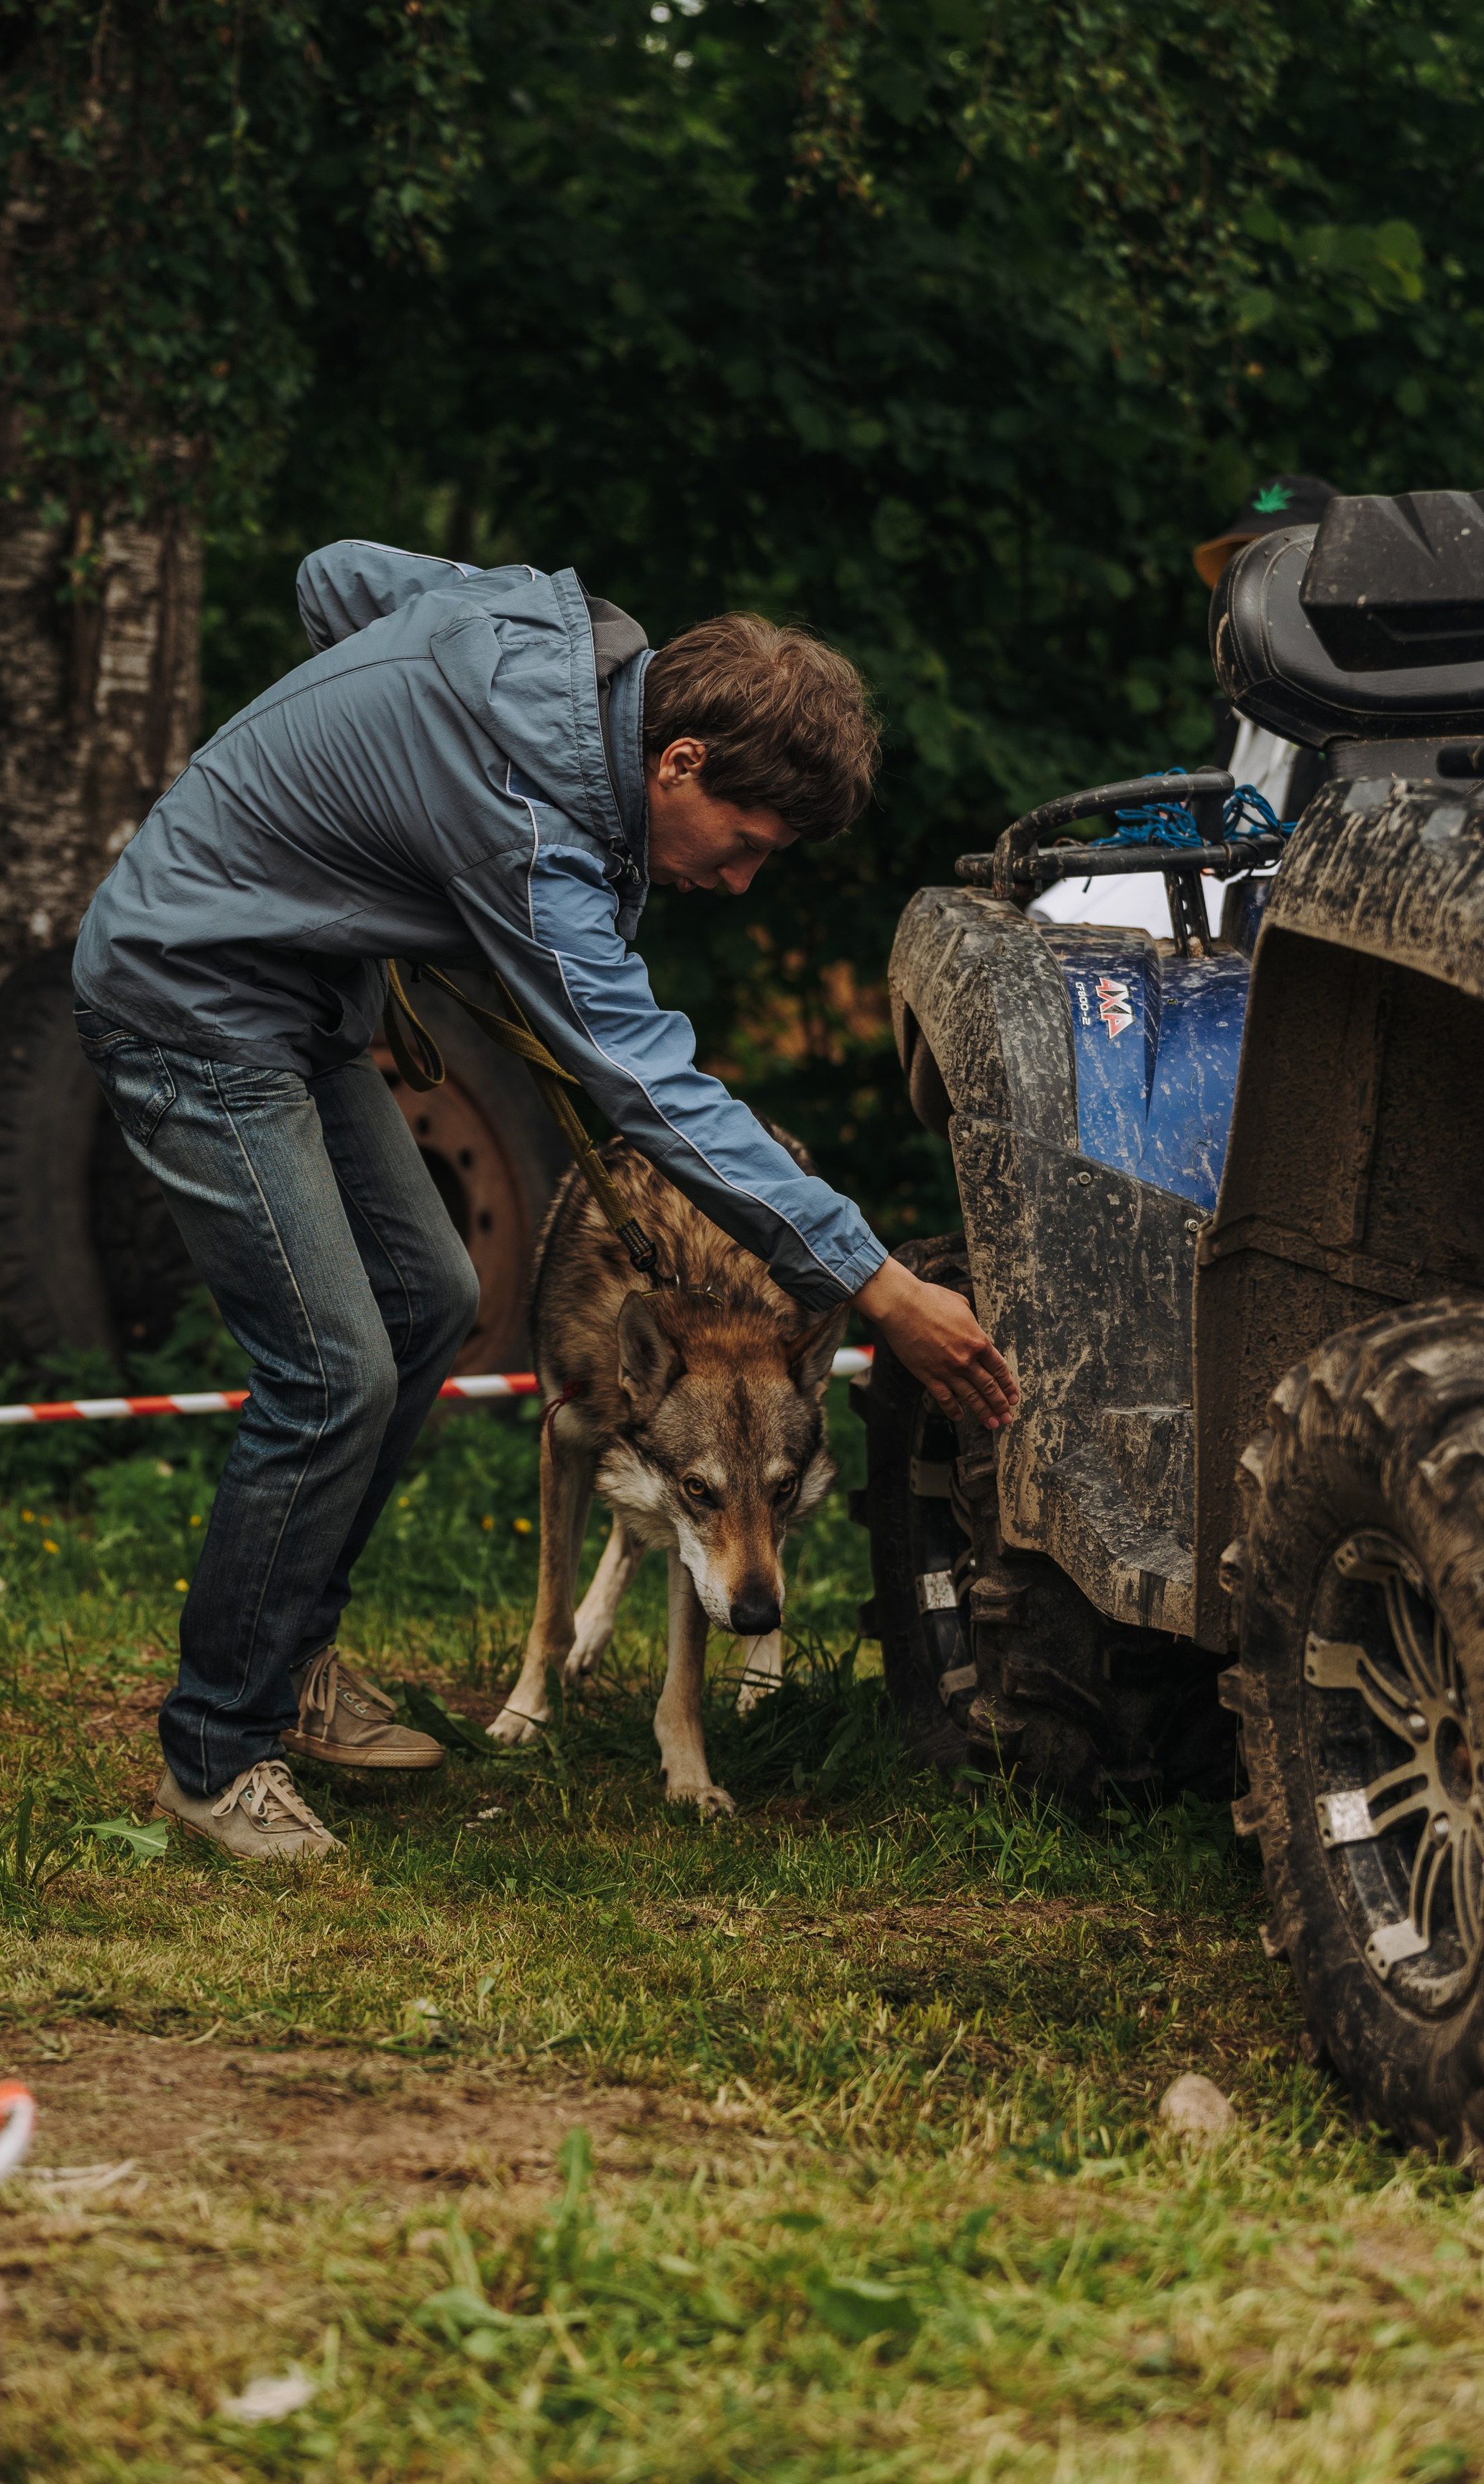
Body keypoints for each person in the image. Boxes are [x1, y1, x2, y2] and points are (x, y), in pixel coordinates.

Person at [73, 543, 1020, 1858]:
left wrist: (350, 825)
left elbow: (333, 577)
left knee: (429, 1298)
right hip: (190, 991)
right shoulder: (532, 825)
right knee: (334, 1367)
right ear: (677, 761)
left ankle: (290, 1661)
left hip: (299, 997)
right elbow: (650, 1087)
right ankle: (216, 1750)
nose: (739, 882)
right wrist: (879, 1281)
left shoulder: (566, 637)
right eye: (743, 847)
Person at [1030, 472, 1340, 933]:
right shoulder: (1244, 705)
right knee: (1055, 916)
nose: (1254, 596)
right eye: (1246, 572)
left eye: (1274, 569)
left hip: (1284, 900)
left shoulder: (1361, 709)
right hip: (1223, 876)